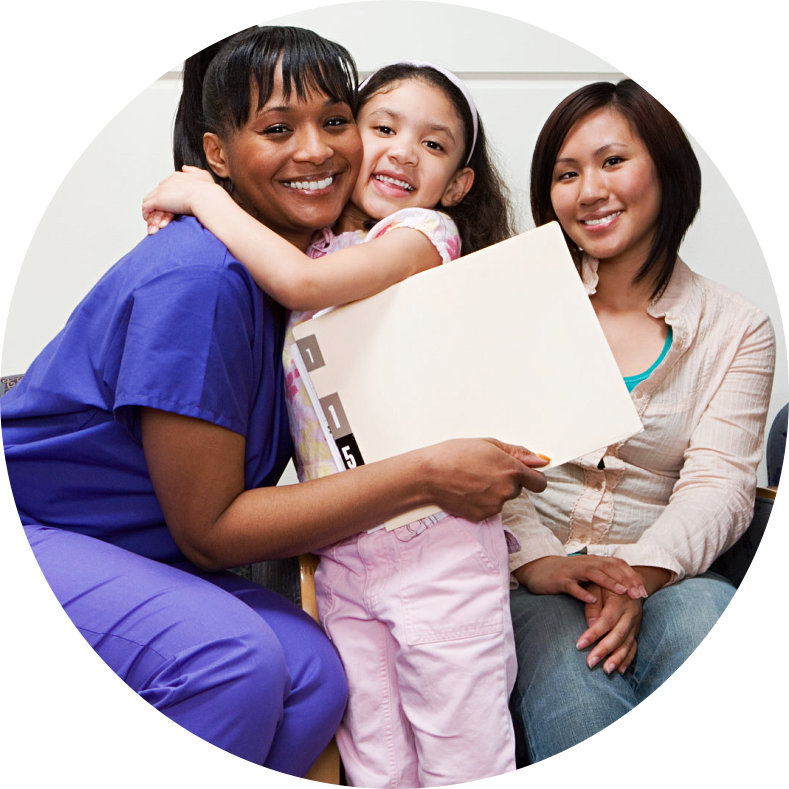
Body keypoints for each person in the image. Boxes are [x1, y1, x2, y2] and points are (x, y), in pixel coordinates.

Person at [0, 26, 550, 777]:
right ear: (217, 153)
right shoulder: (202, 278)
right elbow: (212, 531)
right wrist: (426, 475)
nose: (317, 150)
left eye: (333, 121)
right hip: (35, 531)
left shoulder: (314, 271)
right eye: (276, 128)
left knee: (317, 677)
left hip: (144, 552)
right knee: (239, 665)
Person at [143, 60, 633, 788]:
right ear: (344, 141)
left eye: (434, 146)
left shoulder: (421, 233)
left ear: (457, 185)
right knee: (374, 757)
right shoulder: (307, 242)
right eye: (382, 128)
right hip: (342, 559)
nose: (404, 150)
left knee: (461, 752)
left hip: (439, 554)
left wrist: (199, 192)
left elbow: (303, 288)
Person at [504, 78, 776, 763]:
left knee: (710, 624)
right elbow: (483, 457)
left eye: (611, 161)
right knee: (572, 679)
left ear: (666, 167)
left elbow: (719, 482)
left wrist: (633, 575)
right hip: (530, 574)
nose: (588, 190)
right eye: (566, 174)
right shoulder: (522, 299)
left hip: (666, 573)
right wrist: (538, 563)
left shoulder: (736, 327)